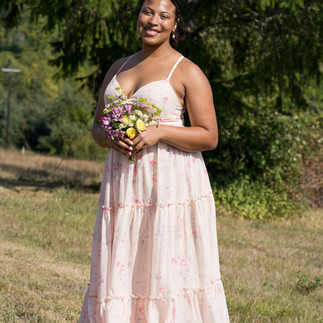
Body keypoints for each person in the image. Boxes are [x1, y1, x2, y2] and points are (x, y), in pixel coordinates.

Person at [79, 0, 230, 321]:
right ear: (138, 16)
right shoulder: (118, 67)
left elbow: (209, 136)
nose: (153, 21)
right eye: (148, 12)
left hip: (168, 187)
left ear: (175, 25)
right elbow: (96, 126)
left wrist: (159, 131)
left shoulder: (187, 71)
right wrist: (109, 138)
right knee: (125, 260)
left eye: (164, 16)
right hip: (122, 184)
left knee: (164, 267)